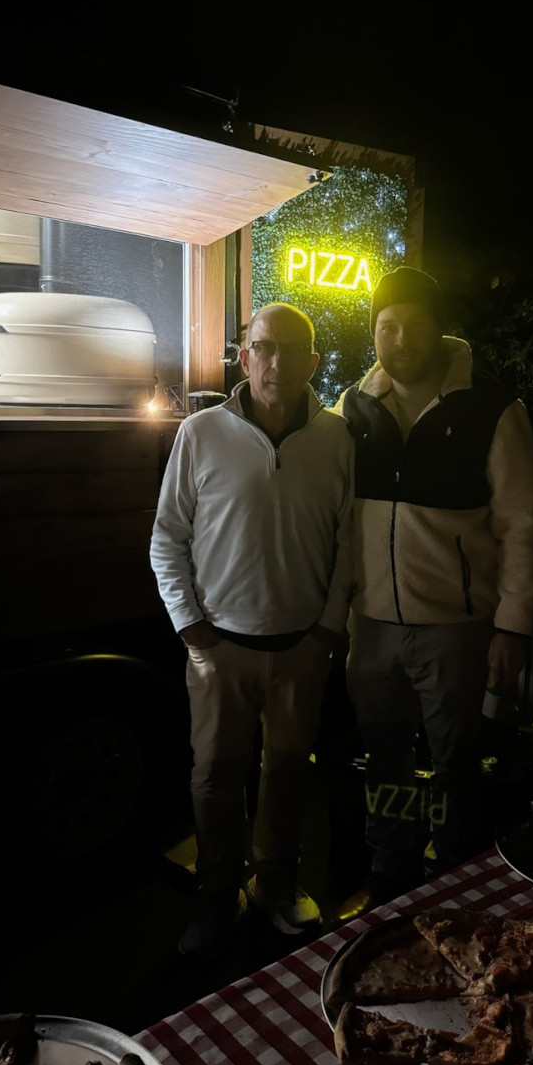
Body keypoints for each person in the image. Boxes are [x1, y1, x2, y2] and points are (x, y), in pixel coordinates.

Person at [334, 266, 533, 919]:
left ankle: (453, 878)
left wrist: (512, 626)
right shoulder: (353, 408)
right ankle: (392, 869)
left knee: (457, 762)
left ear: (437, 327)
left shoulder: (493, 409)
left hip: (456, 626)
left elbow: (522, 523)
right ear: (375, 332)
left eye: (413, 323)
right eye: (386, 325)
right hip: (369, 626)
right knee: (385, 759)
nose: (400, 338)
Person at [150, 302, 354, 958]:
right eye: (265, 347)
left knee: (290, 771)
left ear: (313, 363)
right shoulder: (201, 433)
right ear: (244, 356)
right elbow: (167, 537)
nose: (278, 362)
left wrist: (327, 628)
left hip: (301, 648)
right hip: (219, 649)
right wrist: (189, 626)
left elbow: (348, 540)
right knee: (215, 775)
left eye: (294, 349)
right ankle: (216, 900)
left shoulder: (336, 439)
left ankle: (275, 886)